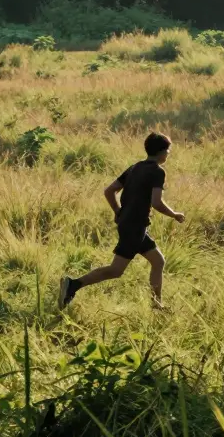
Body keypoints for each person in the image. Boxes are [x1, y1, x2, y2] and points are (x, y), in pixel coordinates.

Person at [60, 132, 185, 309]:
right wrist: (174, 214)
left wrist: (119, 211)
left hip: (133, 224)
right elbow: (156, 202)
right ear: (162, 152)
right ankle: (72, 285)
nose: (169, 154)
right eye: (168, 150)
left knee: (158, 261)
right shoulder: (158, 171)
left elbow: (109, 191)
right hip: (134, 227)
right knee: (116, 270)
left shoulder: (134, 167)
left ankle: (157, 304)